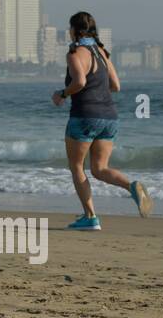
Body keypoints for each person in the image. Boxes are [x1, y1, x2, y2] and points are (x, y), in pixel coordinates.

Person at [51, 12, 151, 230]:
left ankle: (90, 217)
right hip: (109, 118)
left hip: (84, 116)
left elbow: (79, 81)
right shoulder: (103, 53)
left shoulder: (75, 53)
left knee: (77, 166)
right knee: (99, 168)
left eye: (70, 28)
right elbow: (116, 86)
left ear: (75, 30)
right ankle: (132, 186)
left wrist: (63, 93)